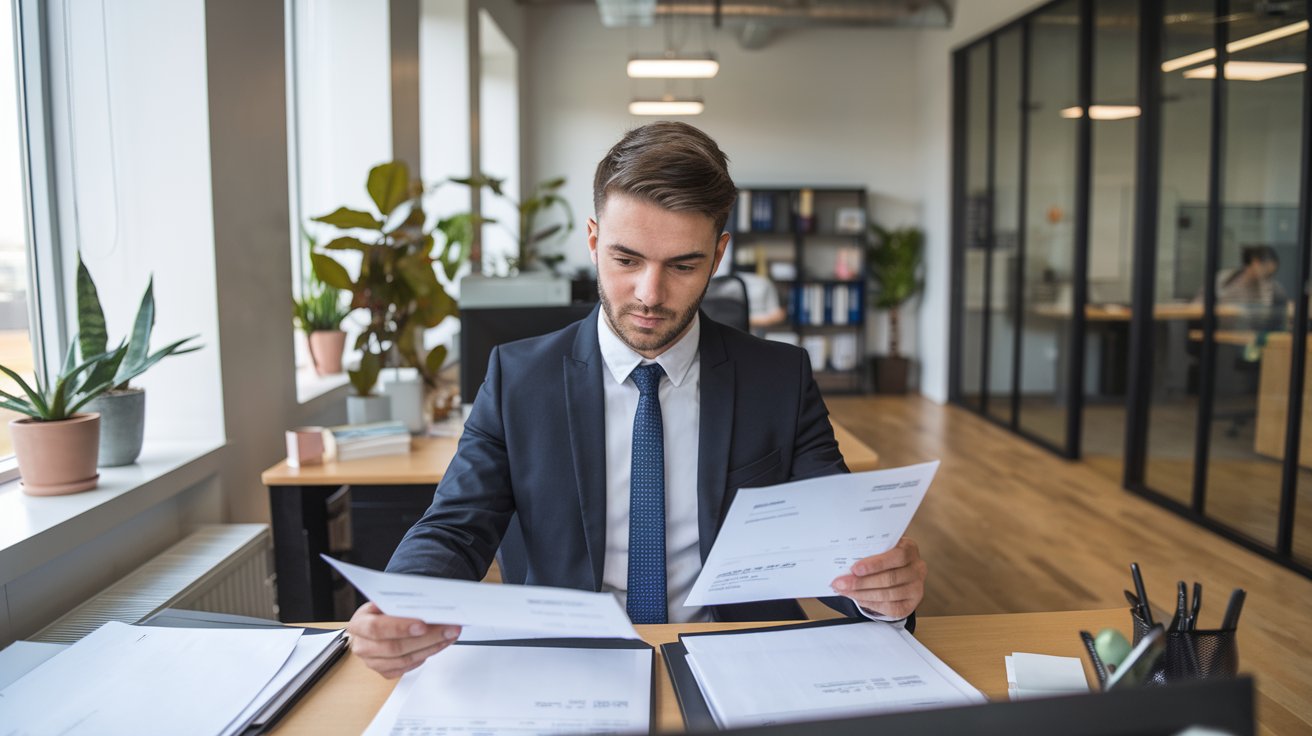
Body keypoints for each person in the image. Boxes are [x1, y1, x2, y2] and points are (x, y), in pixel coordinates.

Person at [346, 122, 928, 679]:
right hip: (565, 661)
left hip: (735, 661)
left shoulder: (780, 377)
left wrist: (883, 593)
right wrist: (403, 601)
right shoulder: (518, 377)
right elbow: (456, 525)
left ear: (718, 256)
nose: (650, 295)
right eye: (626, 260)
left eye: (683, 265)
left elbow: (841, 546)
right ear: (594, 240)